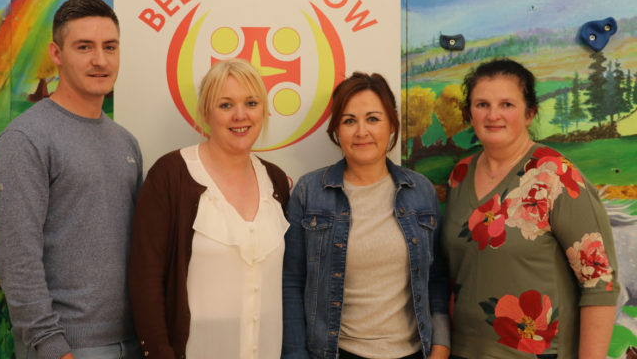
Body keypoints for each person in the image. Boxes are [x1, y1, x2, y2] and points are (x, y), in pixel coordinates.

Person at [0, 0, 144, 359]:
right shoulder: (26, 140)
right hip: (67, 347)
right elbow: (15, 257)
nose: (100, 60)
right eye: (84, 47)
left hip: (133, 342)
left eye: (110, 47)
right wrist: (51, 347)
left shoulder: (126, 142)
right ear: (56, 54)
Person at [443, 58, 620, 359]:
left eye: (507, 104)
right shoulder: (459, 176)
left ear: (530, 113)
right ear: (468, 114)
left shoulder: (556, 176)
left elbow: (599, 283)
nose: (493, 115)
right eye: (482, 104)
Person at [128, 58, 291, 358]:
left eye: (251, 103)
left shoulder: (276, 181)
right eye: (225, 105)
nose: (240, 115)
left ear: (264, 111)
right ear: (206, 112)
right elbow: (145, 280)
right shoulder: (171, 174)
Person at [282, 72, 450, 359]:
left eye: (373, 119)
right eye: (349, 121)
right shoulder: (310, 191)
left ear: (391, 124)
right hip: (335, 352)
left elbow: (435, 277)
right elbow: (292, 282)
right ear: (336, 130)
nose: (362, 132)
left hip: (412, 352)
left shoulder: (420, 190)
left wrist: (441, 346)